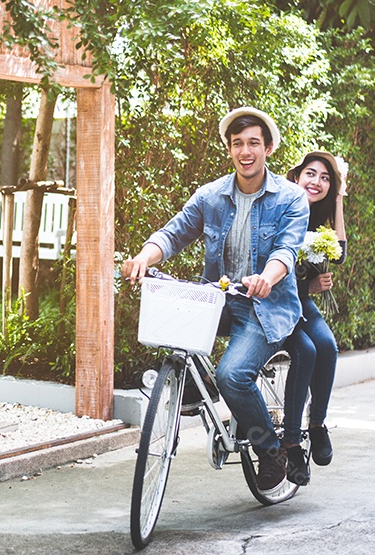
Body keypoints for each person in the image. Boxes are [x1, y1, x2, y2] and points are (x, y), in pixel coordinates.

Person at [121, 107, 308, 492]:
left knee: (233, 376)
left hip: (264, 306)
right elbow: (172, 234)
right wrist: (143, 257)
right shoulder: (211, 196)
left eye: (253, 143)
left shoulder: (291, 198)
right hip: (218, 299)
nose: (245, 151)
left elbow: (286, 252)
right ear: (229, 149)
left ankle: (271, 450)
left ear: (268, 148)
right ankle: (191, 383)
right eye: (237, 143)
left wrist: (266, 279)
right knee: (173, 330)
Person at [279, 151, 347, 485]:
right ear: (296, 176)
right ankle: (291, 441)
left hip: (302, 303)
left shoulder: (318, 216)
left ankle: (317, 424)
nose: (316, 182)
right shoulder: (282, 206)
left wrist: (338, 200)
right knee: (306, 351)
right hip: (278, 302)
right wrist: (310, 284)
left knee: (328, 346)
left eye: (324, 178)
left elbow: (341, 253)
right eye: (310, 174)